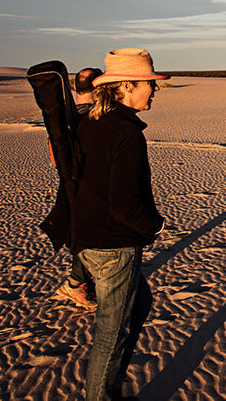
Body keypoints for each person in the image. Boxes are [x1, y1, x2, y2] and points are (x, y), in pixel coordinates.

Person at [71, 48, 167, 401]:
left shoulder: (93, 121)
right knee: (110, 336)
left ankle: (109, 389)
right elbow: (124, 204)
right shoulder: (126, 133)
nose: (154, 90)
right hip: (112, 244)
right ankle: (103, 394)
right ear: (126, 86)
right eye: (149, 85)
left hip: (90, 238)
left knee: (138, 307)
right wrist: (154, 226)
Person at [53, 67, 103, 311]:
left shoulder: (64, 117)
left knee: (83, 234)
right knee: (88, 236)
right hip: (88, 186)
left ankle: (79, 281)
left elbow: (54, 157)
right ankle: (77, 283)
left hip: (69, 184)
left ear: (75, 87)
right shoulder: (94, 118)